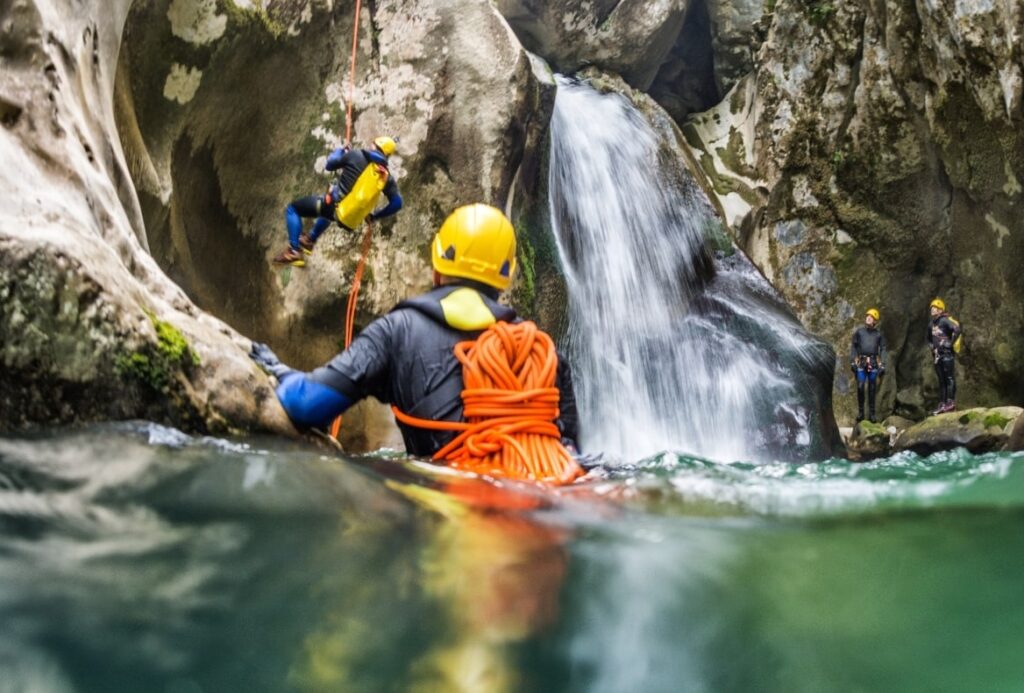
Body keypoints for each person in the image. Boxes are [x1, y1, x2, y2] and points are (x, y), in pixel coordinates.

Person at [253, 203, 579, 457]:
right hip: (539, 508)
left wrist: (280, 371)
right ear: (505, 277)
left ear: (437, 265)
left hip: (445, 508)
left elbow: (307, 404)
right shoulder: (543, 351)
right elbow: (570, 452)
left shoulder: (397, 332)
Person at [272, 136, 403, 266]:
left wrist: (341, 151)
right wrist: (375, 216)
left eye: (373, 143)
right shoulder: (385, 177)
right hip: (346, 216)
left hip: (333, 205)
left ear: (376, 146)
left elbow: (330, 164)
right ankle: (310, 240)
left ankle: (294, 251)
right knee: (329, 213)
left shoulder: (356, 155)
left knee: (293, 209)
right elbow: (397, 203)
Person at [850, 307, 887, 422]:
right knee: (860, 387)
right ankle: (861, 412)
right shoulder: (859, 332)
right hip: (861, 362)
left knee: (872, 388)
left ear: (875, 321)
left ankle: (872, 414)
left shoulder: (878, 335)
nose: (868, 318)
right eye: (867, 316)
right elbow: (854, 347)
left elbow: (883, 349)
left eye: (871, 317)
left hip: (873, 363)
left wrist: (883, 364)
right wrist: (852, 361)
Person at [927, 297, 962, 415]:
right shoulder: (931, 324)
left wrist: (950, 343)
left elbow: (956, 329)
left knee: (949, 378)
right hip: (937, 356)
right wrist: (932, 347)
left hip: (947, 354)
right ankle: (942, 403)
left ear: (941, 310)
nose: (932, 309)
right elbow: (929, 339)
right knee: (941, 380)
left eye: (935, 308)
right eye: (932, 308)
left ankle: (950, 402)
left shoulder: (944, 320)